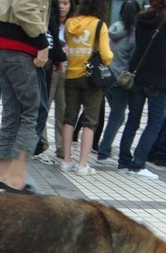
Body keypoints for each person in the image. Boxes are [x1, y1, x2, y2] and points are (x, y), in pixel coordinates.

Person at [116, 0, 166, 180]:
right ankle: (138, 163)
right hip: (158, 79)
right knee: (155, 122)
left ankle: (124, 160)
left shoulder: (142, 18)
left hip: (137, 75)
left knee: (133, 119)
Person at [0, 0, 50, 193]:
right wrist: (42, 41)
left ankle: (5, 175)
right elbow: (23, 6)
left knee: (13, 112)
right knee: (33, 111)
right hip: (20, 43)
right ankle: (16, 178)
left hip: (1, 40)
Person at [60, 0, 113, 177]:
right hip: (91, 79)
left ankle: (66, 161)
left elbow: (69, 45)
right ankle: (82, 164)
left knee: (69, 118)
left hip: (71, 75)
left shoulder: (70, 23)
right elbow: (106, 55)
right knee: (90, 121)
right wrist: (108, 58)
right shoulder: (100, 25)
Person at [96, 0, 137, 166]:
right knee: (117, 117)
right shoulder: (133, 33)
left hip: (107, 76)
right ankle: (104, 151)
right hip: (121, 79)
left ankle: (105, 147)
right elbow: (133, 58)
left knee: (117, 116)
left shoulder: (113, 28)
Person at [39, 0, 75, 160]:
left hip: (68, 70)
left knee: (63, 108)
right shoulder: (48, 21)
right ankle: (41, 142)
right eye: (60, 3)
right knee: (44, 104)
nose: (62, 6)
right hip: (50, 67)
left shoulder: (74, 24)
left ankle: (61, 146)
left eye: (66, 3)